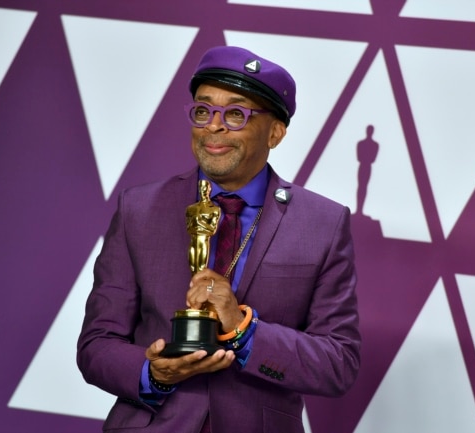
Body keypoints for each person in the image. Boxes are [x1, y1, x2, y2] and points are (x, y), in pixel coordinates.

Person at [77, 46, 361, 433]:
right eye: (203, 110)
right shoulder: (139, 209)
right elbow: (97, 343)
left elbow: (338, 363)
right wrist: (152, 373)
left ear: (275, 132)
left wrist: (245, 330)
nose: (214, 126)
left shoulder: (322, 223)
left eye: (235, 114)